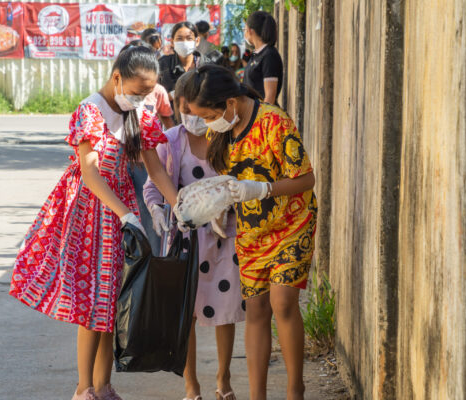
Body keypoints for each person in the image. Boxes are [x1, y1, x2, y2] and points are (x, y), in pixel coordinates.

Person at [9, 46, 178, 400]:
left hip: (121, 214)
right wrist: (126, 215)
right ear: (117, 77)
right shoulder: (91, 110)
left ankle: (103, 387)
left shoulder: (138, 113)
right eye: (138, 90)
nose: (143, 98)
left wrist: (179, 205)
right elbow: (90, 172)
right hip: (91, 212)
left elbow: (155, 167)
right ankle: (83, 389)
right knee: (90, 304)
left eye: (149, 92)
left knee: (112, 302)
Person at [183, 64, 317, 400]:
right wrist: (217, 205)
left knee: (283, 302)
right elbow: (227, 178)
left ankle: (294, 390)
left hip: (292, 221)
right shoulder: (220, 131)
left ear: (229, 102)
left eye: (207, 115)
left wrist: (263, 190)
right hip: (252, 230)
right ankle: (257, 395)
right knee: (256, 309)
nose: (205, 125)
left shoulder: (274, 121)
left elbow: (306, 179)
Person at [144, 71, 244, 400]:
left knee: (225, 308)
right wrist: (158, 210)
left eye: (197, 110)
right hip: (186, 240)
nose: (193, 118)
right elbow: (153, 185)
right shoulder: (171, 141)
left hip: (223, 237)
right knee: (185, 313)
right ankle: (191, 385)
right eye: (185, 110)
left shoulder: (225, 134)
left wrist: (228, 207)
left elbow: (239, 182)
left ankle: (223, 378)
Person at [119, 41, 175, 254]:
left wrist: (182, 209)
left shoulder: (156, 94)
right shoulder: (99, 107)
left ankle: (151, 261)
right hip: (118, 171)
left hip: (145, 167)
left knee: (149, 212)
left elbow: (168, 125)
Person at [158, 21, 209, 97]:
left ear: (197, 41)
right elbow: (154, 95)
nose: (184, 42)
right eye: (179, 38)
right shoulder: (162, 64)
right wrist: (171, 96)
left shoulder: (207, 65)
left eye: (189, 38)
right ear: (172, 42)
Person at [243, 11, 283, 105]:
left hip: (262, 115)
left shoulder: (269, 55)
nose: (244, 33)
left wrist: (262, 118)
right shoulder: (256, 54)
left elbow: (270, 96)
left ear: (250, 31)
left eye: (244, 29)